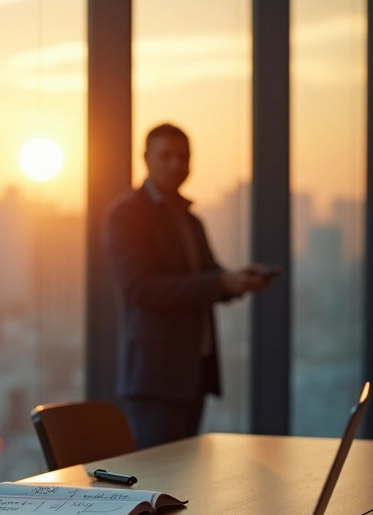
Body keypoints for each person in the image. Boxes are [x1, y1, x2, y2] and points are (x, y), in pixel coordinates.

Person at [104, 123, 274, 449]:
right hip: (155, 378)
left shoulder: (190, 218)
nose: (176, 165)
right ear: (145, 158)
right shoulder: (127, 215)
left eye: (184, 157)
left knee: (186, 482)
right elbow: (141, 288)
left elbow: (207, 278)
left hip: (194, 372)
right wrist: (220, 281)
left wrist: (238, 282)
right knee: (160, 482)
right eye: (166, 156)